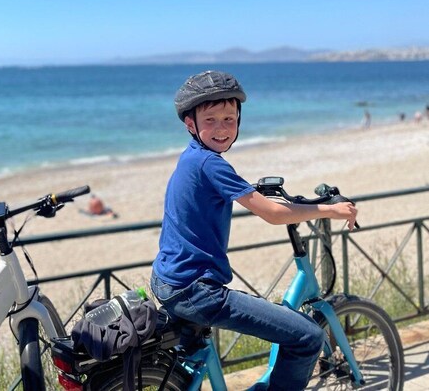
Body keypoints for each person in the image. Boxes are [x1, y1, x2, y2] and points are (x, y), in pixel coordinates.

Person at [150, 70, 357, 391]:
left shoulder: (192, 158)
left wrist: (255, 190)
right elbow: (273, 214)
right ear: (190, 123)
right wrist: (330, 209)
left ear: (239, 121)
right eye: (211, 120)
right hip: (198, 292)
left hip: (168, 281)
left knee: (191, 364)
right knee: (307, 336)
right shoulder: (211, 164)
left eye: (229, 119)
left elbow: (231, 191)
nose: (221, 128)